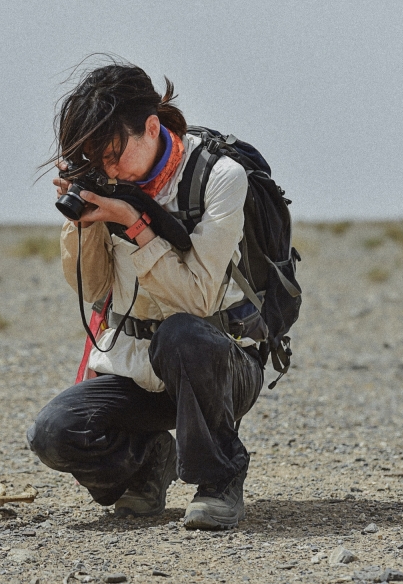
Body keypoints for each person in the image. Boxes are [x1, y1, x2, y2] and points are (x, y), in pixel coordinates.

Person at [26, 61, 264, 529]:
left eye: (114, 154)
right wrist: (85, 222)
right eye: (96, 159)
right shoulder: (107, 181)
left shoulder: (220, 177)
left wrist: (135, 225)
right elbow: (94, 290)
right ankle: (149, 459)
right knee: (52, 434)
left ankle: (219, 480)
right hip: (136, 368)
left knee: (182, 334)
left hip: (216, 366)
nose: (109, 169)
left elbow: (197, 300)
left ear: (151, 127)